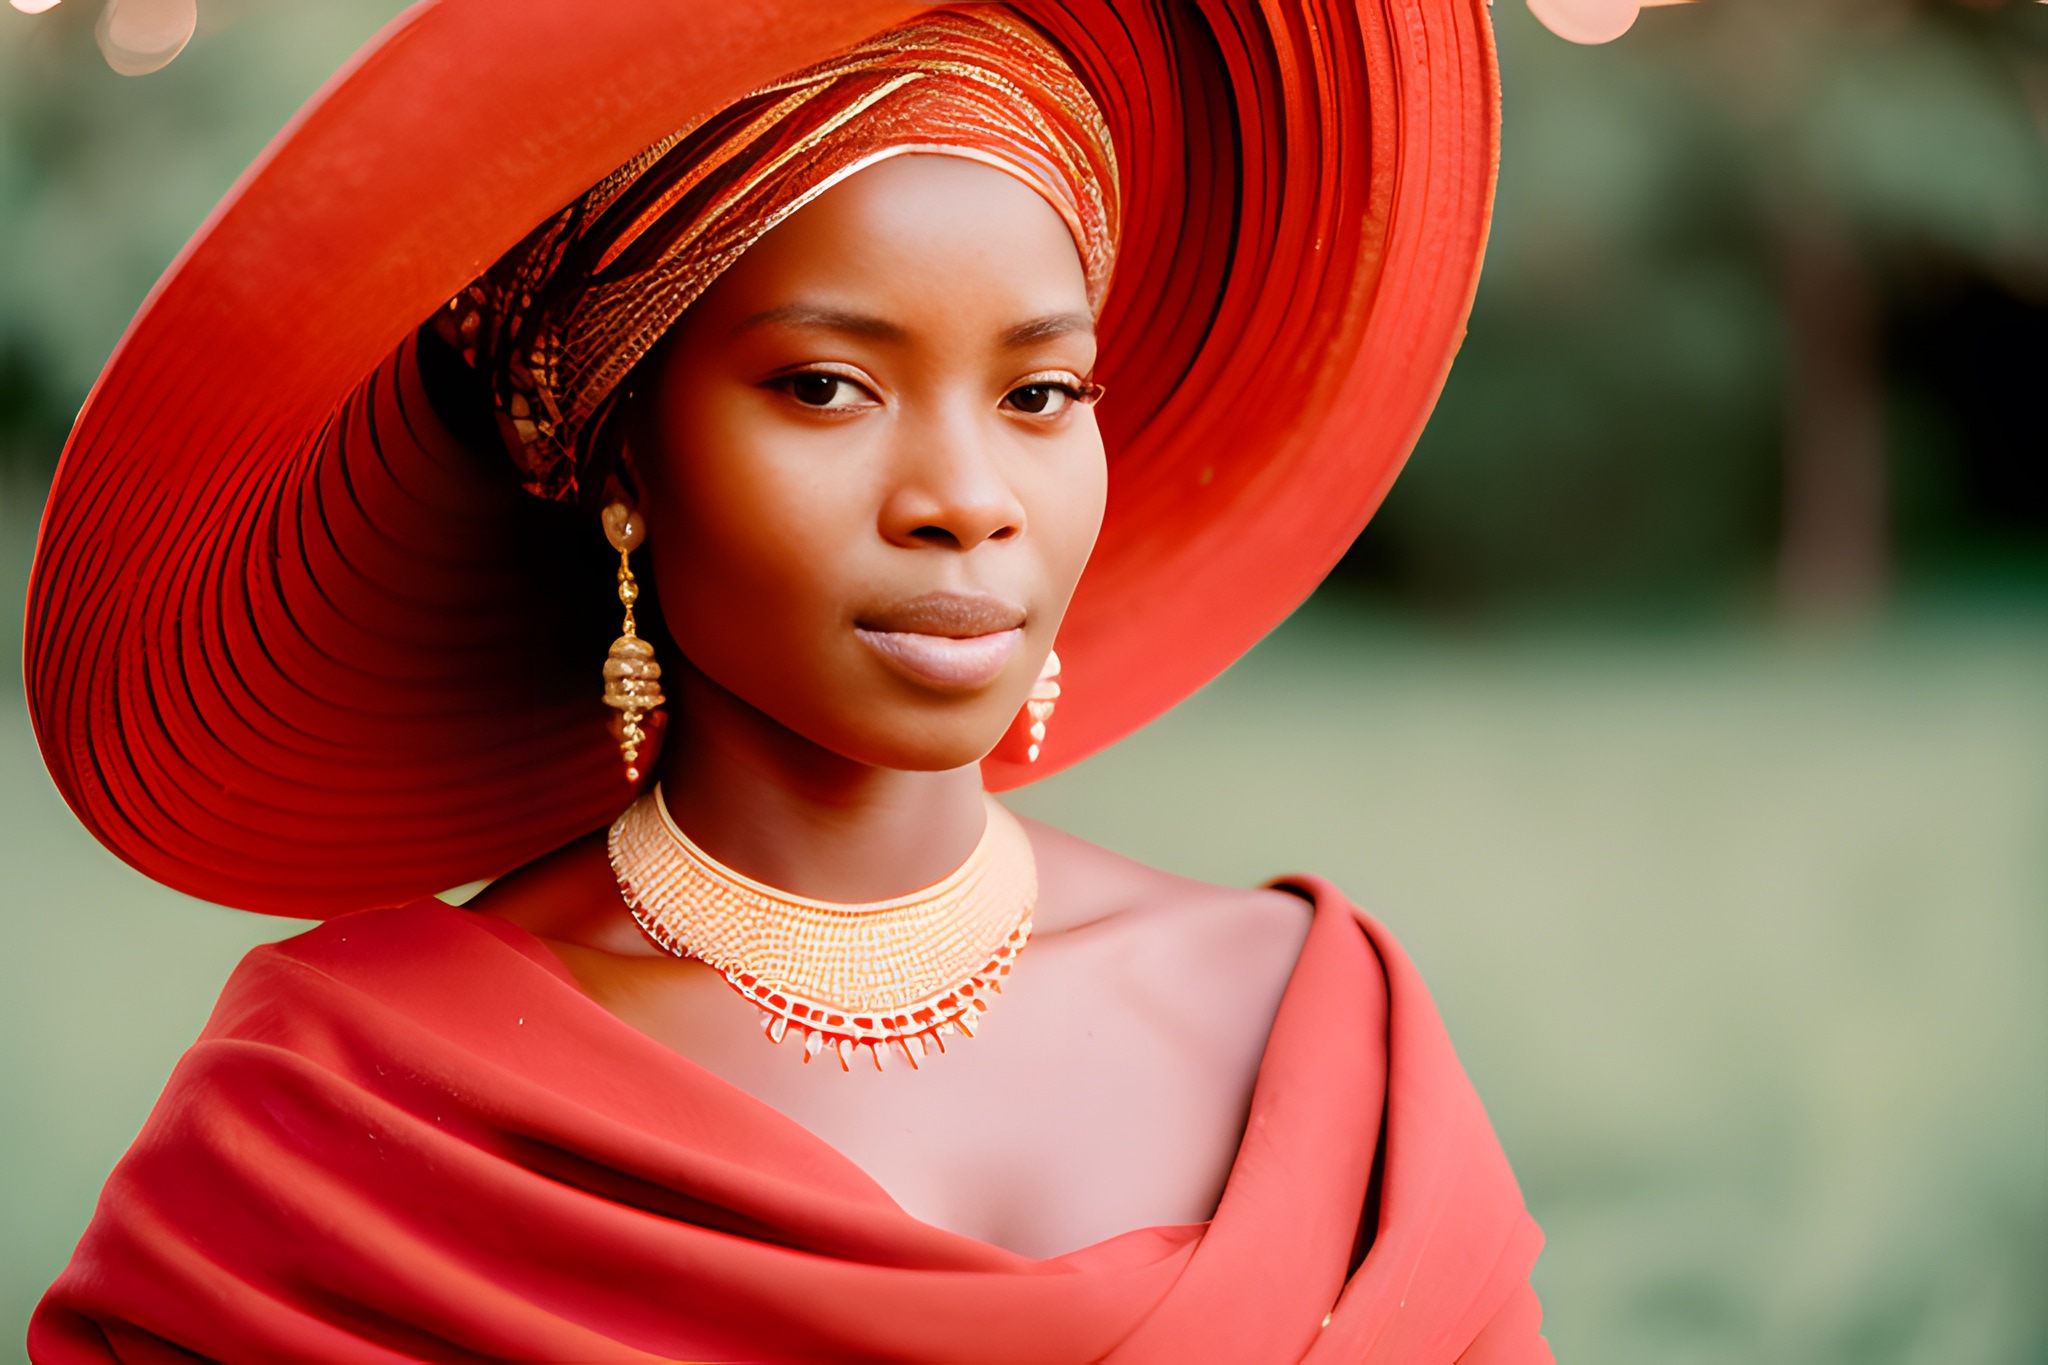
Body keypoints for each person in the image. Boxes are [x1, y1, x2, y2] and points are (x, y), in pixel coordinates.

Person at [23, 2, 1546, 1360]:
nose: (965, 494)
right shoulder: (341, 1121)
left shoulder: (1332, 1048)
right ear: (620, 454)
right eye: (827, 384)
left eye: (1039, 392)